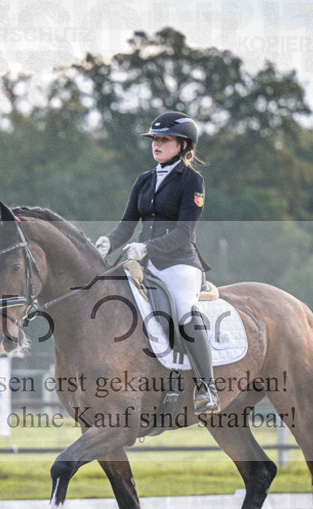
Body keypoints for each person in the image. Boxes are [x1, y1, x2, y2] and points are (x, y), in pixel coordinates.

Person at [95, 111, 219, 414]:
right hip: (143, 261)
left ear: (183, 145)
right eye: (154, 139)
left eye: (164, 139)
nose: (156, 144)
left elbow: (183, 232)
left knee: (182, 310)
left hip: (179, 264)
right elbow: (127, 224)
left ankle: (207, 387)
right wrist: (109, 241)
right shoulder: (144, 180)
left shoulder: (192, 181)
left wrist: (146, 246)